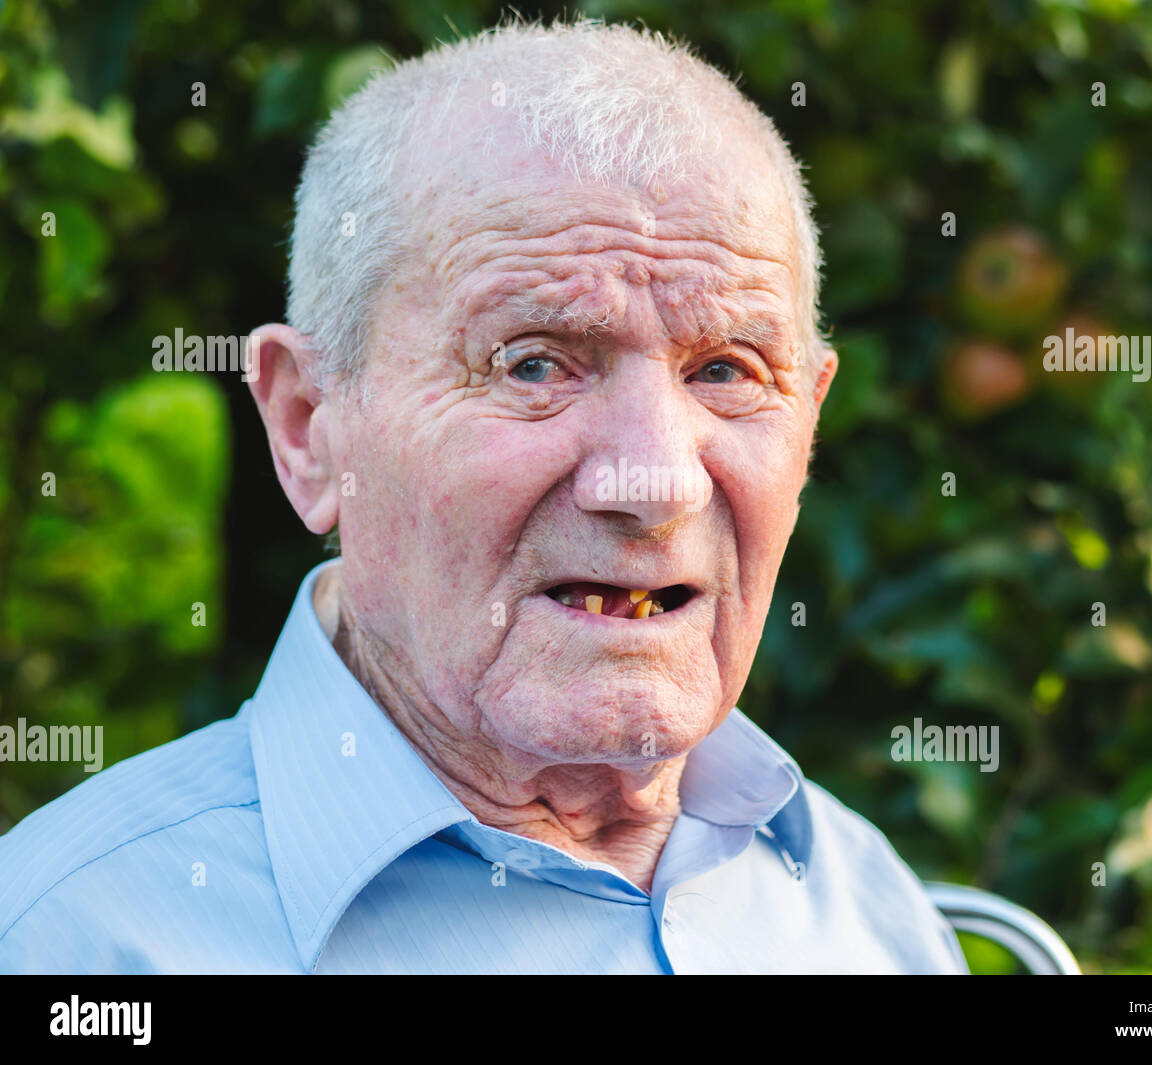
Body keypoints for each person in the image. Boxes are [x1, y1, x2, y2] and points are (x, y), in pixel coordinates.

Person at [0, 19, 966, 974]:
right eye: (535, 363)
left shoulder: (864, 908)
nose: (655, 481)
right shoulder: (72, 940)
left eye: (726, 369)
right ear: (307, 426)